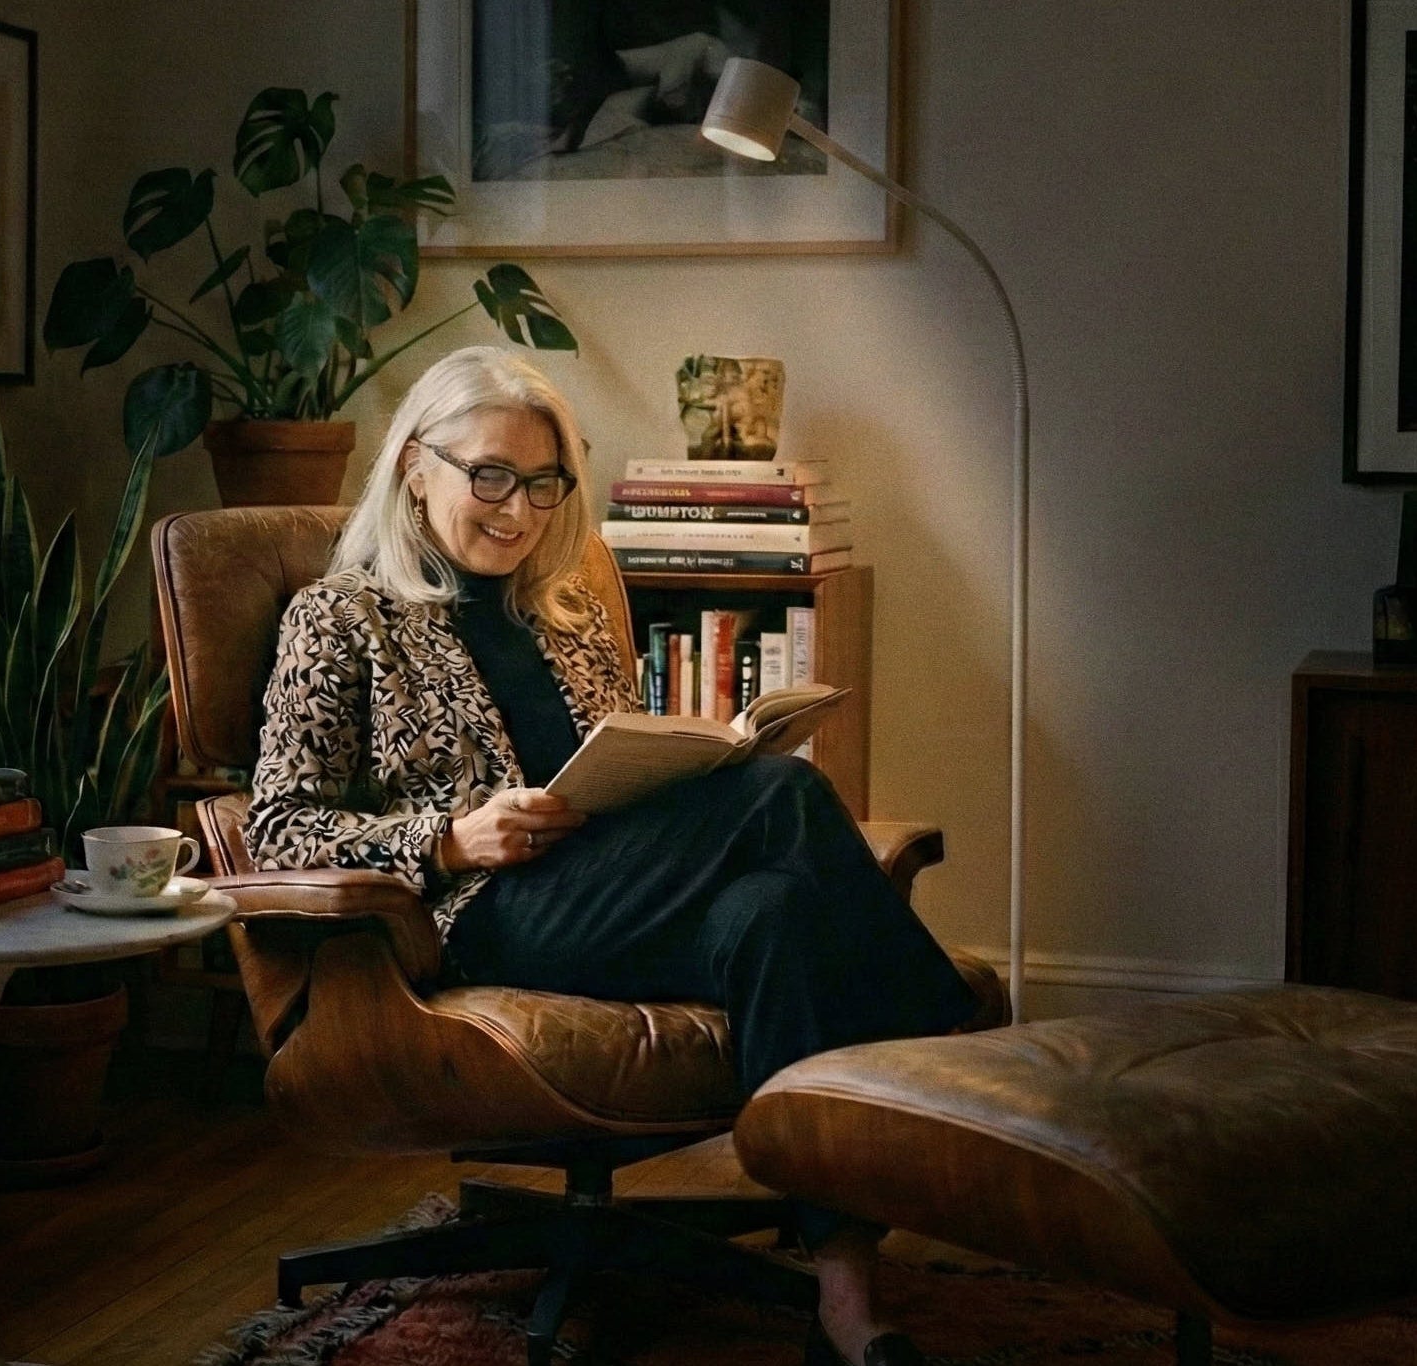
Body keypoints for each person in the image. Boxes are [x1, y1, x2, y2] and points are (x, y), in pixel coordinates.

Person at [246, 345, 976, 1366]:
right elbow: (278, 826)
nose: (518, 508)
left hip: (613, 884)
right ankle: (951, 1054)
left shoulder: (566, 612)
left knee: (778, 916)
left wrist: (686, 758)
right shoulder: (340, 617)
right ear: (416, 465)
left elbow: (607, 764)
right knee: (783, 795)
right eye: (488, 475)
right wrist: (450, 838)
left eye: (543, 483)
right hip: (489, 911)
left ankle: (845, 1300)